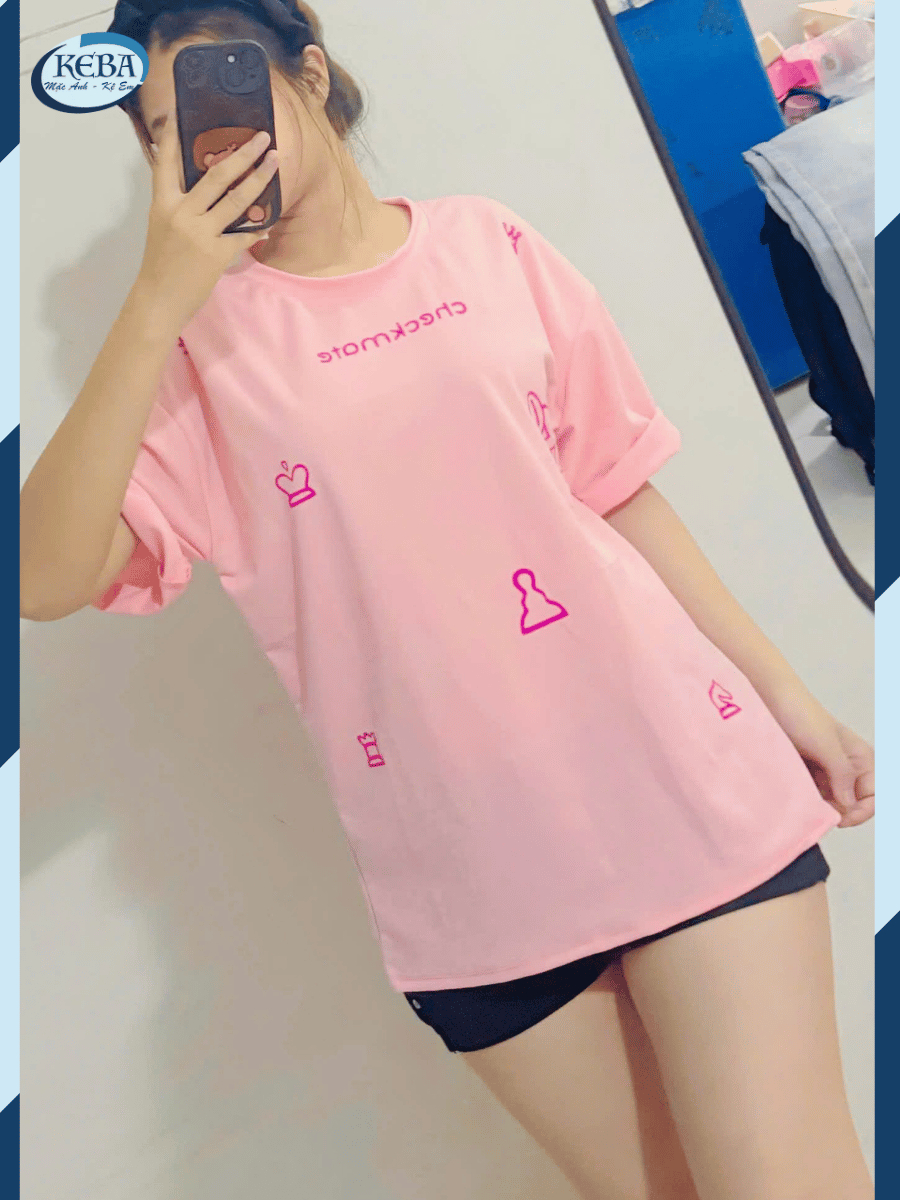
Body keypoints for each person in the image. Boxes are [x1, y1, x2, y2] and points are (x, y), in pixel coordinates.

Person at [20, 2, 874, 1197]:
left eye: (219, 99)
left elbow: (618, 494)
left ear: (308, 75)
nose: (204, 148)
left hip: (679, 781)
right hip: (466, 882)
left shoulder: (487, 243)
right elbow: (43, 578)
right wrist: (156, 301)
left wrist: (783, 693)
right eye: (162, 133)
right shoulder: (191, 356)